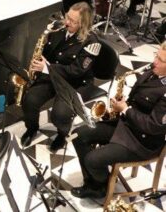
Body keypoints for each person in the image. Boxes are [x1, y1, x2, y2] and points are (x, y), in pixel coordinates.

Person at [70, 42, 166, 199]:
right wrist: (122, 103)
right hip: (126, 125)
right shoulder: (151, 71)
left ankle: (101, 186)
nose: (155, 61)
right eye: (157, 55)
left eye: (161, 60)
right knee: (78, 135)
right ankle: (95, 183)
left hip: (141, 141)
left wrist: (126, 110)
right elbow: (138, 101)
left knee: (92, 160)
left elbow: (153, 126)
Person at [20, 2, 101, 151]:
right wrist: (39, 61)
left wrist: (47, 68)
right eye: (67, 17)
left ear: (83, 24)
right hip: (53, 75)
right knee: (29, 99)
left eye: (72, 21)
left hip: (75, 82)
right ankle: (32, 128)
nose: (67, 22)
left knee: (59, 114)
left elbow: (77, 71)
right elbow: (47, 52)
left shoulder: (92, 42)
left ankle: (62, 134)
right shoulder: (58, 28)